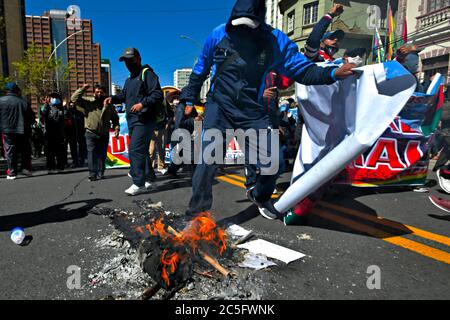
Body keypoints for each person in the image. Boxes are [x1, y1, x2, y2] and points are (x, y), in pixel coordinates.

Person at [178, 0, 355, 219]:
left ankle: (260, 195)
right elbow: (200, 69)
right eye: (238, 25)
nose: (242, 31)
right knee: (207, 161)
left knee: (275, 163)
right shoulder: (218, 34)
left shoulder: (276, 41)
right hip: (219, 106)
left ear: (260, 23)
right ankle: (197, 214)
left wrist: (331, 75)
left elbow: (302, 71)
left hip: (252, 109)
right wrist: (188, 99)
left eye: (248, 26)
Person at [105, 48, 164, 195]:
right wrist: (112, 98)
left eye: (130, 59)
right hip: (132, 120)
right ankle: (150, 178)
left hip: (144, 119)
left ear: (138, 58)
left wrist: (142, 104)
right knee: (142, 151)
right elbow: (124, 96)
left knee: (135, 150)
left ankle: (139, 183)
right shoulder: (129, 79)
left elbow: (157, 93)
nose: (128, 63)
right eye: (125, 61)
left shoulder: (147, 74)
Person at [71, 84, 120, 181]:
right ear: (94, 92)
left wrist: (116, 128)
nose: (99, 94)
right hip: (91, 133)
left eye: (101, 92)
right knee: (91, 154)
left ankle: (101, 172)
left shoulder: (109, 105)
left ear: (104, 93)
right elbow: (74, 98)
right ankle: (92, 174)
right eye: (97, 92)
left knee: (102, 155)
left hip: (104, 133)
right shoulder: (88, 102)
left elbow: (115, 118)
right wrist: (83, 89)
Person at [0, 82, 34, 180]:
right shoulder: (23, 102)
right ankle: (25, 168)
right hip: (22, 130)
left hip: (7, 130)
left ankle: (12, 172)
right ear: (17, 90)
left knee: (10, 150)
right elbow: (31, 118)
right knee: (25, 150)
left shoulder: (1, 101)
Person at [41, 92, 66, 174]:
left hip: (60, 133)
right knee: (50, 152)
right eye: (52, 97)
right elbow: (43, 114)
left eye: (56, 97)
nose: (54, 99)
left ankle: (60, 167)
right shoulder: (47, 107)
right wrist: (46, 104)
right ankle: (51, 168)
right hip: (49, 133)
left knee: (60, 152)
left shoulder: (61, 108)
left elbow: (66, 116)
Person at [65, 101, 87, 168]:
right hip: (71, 133)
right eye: (70, 105)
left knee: (81, 147)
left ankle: (81, 160)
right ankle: (75, 161)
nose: (72, 106)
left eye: (73, 105)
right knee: (73, 148)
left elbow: (83, 123)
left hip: (80, 133)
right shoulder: (67, 113)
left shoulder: (80, 113)